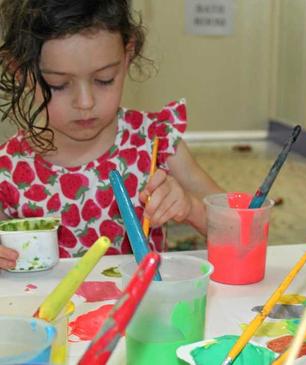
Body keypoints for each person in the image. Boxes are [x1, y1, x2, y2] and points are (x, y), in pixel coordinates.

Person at [0, 0, 223, 269]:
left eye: (104, 79)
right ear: (19, 71)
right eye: (57, 85)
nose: (85, 102)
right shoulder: (8, 170)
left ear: (127, 55)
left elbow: (241, 230)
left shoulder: (156, 142)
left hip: (143, 309)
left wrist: (192, 209)